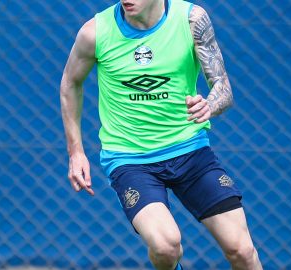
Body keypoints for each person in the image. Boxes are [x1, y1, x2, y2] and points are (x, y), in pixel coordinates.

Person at [60, 0, 263, 269]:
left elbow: (223, 88)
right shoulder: (95, 32)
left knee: (242, 251)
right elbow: (70, 83)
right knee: (166, 246)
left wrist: (209, 105)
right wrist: (76, 152)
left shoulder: (192, 20)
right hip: (130, 160)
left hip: (191, 152)